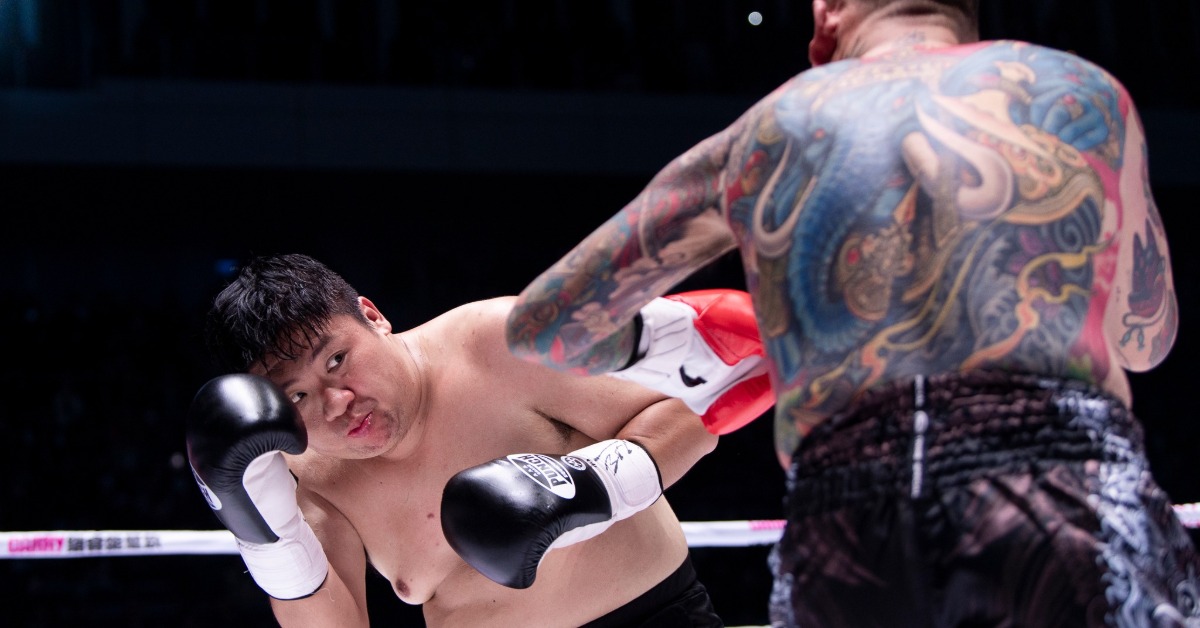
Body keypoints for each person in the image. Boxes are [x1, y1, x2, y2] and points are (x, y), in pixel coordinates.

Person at [504, 1, 1200, 625]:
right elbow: (1148, 339)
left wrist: (672, 339)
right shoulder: (1080, 93)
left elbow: (548, 328)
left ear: (827, 16)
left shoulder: (765, 132)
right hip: (1061, 479)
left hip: (850, 513)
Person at [184, 252, 772, 627]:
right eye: (298, 396)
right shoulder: (308, 472)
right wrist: (270, 544)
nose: (337, 403)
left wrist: (600, 485)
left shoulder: (499, 343)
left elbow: (693, 409)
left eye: (337, 360)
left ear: (373, 315)